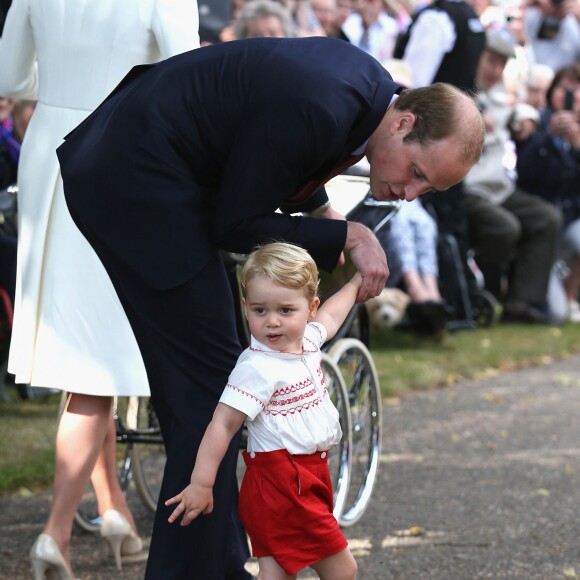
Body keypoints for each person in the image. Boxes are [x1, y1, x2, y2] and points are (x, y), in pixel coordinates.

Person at [55, 36, 485, 579]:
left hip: (136, 163)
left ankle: (218, 565)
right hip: (137, 177)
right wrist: (346, 235)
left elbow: (274, 156)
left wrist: (325, 213)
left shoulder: (361, 93)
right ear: (404, 124)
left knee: (216, 391)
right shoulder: (323, 106)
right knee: (218, 397)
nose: (409, 193)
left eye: (428, 189)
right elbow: (235, 223)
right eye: (418, 173)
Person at [0, 1, 199, 578]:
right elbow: (184, 77)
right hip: (124, 147)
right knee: (96, 355)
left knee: (89, 347)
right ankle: (55, 531)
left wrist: (62, 78)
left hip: (48, 148)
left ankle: (113, 510)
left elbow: (9, 76)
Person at [166, 242, 359, 579]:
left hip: (306, 475)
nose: (272, 322)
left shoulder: (308, 342)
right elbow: (223, 424)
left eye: (286, 311)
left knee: (277, 572)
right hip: (282, 483)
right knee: (342, 569)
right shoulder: (257, 367)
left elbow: (332, 315)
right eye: (260, 310)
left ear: (309, 308)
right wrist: (201, 482)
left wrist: (356, 285)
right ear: (245, 306)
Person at [463, 29, 562, 324]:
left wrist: (525, 116)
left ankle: (521, 303)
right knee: (506, 228)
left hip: (500, 189)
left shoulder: (497, 96)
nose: (494, 70)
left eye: (500, 64)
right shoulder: (460, 89)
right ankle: (479, 289)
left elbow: (510, 111)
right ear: (477, 57)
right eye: (490, 61)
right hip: (469, 189)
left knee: (547, 218)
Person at [516, 64, 580, 321]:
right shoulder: (536, 123)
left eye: (576, 92)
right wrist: (546, 138)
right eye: (565, 89)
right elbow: (524, 172)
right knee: (555, 315)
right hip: (539, 229)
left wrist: (577, 147)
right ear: (553, 91)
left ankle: (571, 294)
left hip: (567, 227)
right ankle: (550, 299)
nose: (569, 97)